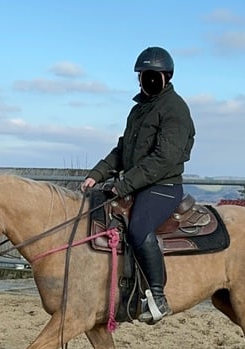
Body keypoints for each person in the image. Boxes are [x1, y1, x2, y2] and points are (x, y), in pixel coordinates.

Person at [81, 46, 196, 324]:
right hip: (138, 184)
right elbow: (123, 150)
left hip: (162, 186)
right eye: (144, 75)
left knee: (139, 227)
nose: (148, 79)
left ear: (166, 77)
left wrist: (123, 186)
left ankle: (157, 296)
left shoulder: (175, 110)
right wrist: (98, 174)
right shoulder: (138, 110)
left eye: (154, 75)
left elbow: (163, 160)